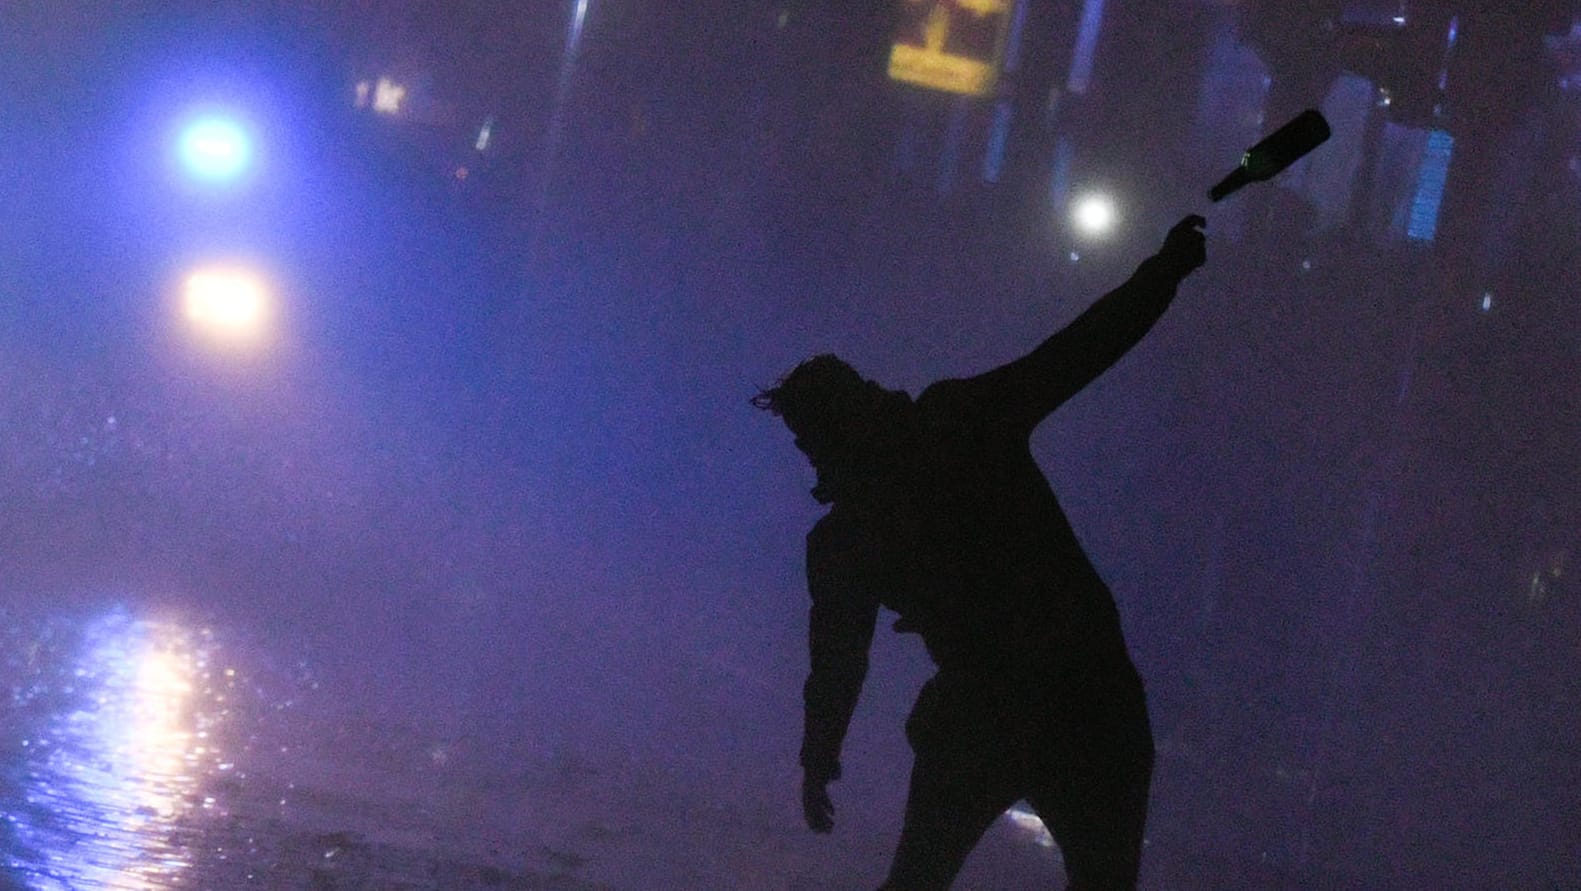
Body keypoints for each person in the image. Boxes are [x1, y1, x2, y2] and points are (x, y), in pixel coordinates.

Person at [753, 215, 1208, 889]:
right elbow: (1077, 351)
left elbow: (839, 660)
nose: (809, 455)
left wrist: (819, 755)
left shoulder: (852, 532)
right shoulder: (959, 424)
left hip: (997, 707)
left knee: (918, 880)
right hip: (1085, 695)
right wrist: (1161, 274)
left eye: (809, 439)